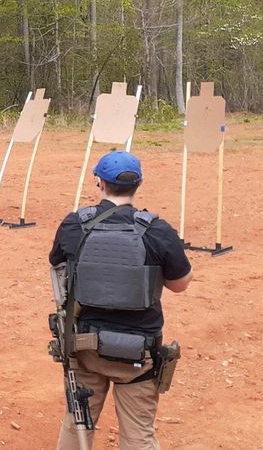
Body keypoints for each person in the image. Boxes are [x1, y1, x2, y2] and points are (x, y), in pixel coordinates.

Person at [49, 151, 192, 450]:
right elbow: (180, 285)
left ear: (99, 182)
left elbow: (58, 266)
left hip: (85, 347)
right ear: (138, 184)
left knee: (78, 425)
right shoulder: (156, 230)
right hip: (138, 354)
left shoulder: (75, 224)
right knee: (139, 434)